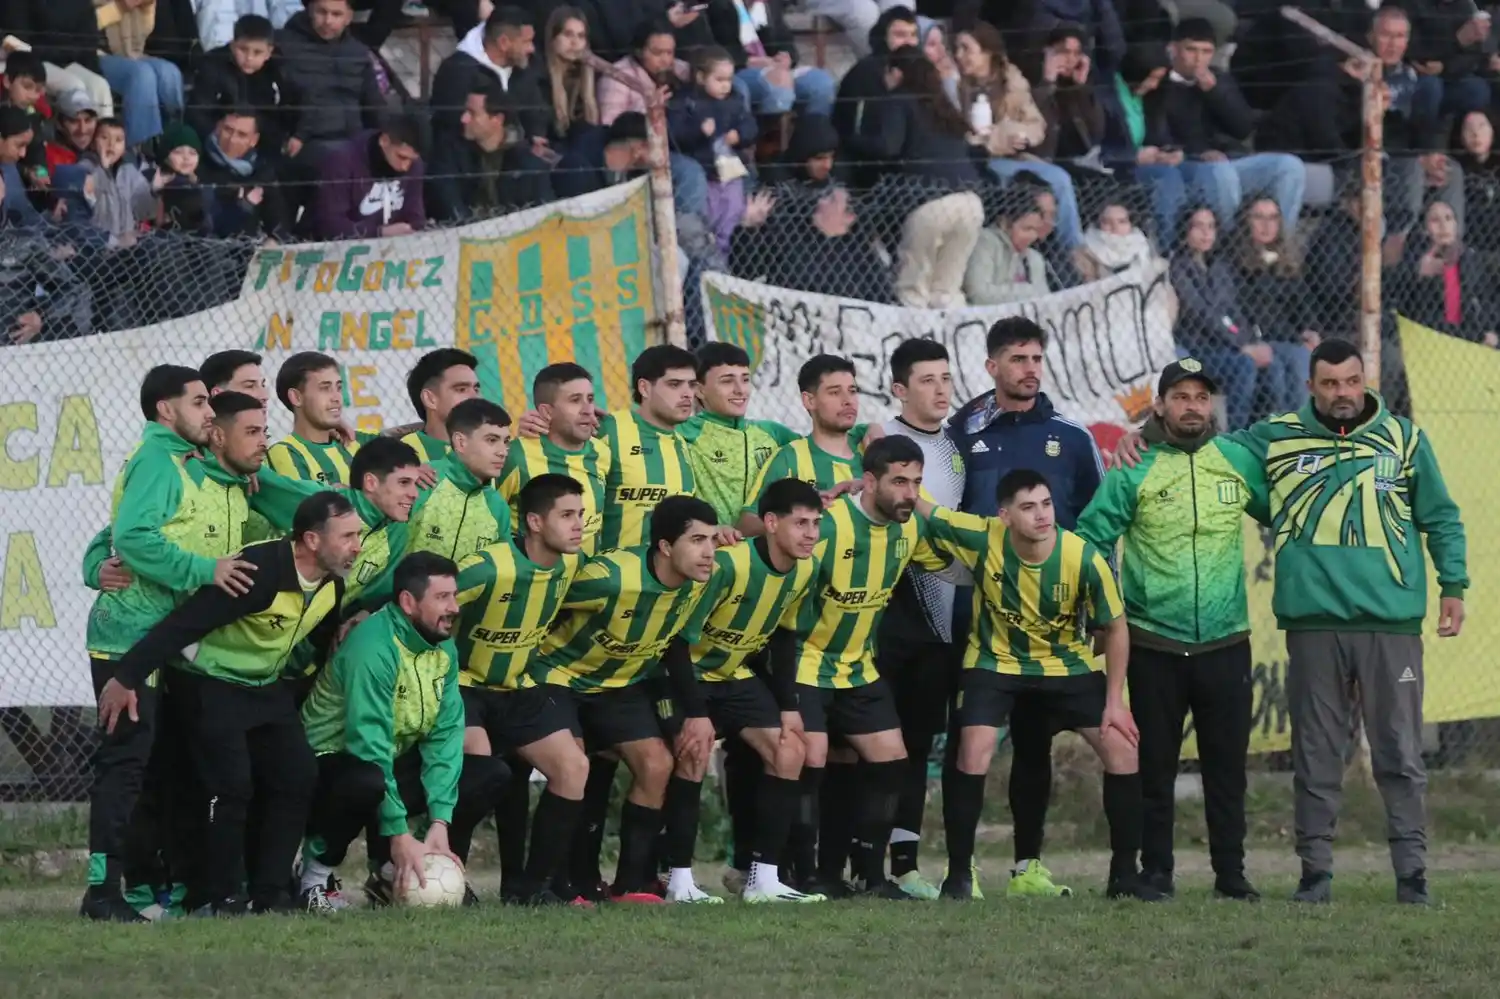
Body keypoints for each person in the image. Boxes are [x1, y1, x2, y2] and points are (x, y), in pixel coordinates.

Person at [1114, 338, 1468, 905]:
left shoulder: (1404, 439)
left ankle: (1413, 874)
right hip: (1313, 625)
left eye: (1352, 382)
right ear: (1310, 387)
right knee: (1316, 753)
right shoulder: (1276, 437)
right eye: (1330, 384)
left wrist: (1454, 585)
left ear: (1365, 380)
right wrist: (1143, 437)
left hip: (1391, 624)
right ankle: (1315, 875)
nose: (1343, 394)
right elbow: (1203, 444)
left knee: (1400, 752)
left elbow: (1442, 517)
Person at [98, 492, 362, 914]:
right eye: (347, 536)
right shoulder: (258, 573)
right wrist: (125, 677)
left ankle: (272, 893)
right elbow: (183, 624)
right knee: (231, 785)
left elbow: (315, 642)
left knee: (297, 774)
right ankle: (217, 895)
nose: (357, 545)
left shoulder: (332, 584)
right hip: (210, 685)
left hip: (265, 688)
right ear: (312, 540)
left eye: (358, 535)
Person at [1075, 360, 1269, 900]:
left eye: (1201, 397)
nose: (1192, 406)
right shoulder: (1133, 467)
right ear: (1159, 405)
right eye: (1180, 396)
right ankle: (1156, 871)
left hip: (1226, 642)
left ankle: (1231, 874)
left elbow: (1281, 511)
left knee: (1227, 768)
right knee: (1155, 766)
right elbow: (1090, 536)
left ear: (1212, 406)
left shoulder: (1234, 460)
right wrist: (1105, 609)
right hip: (1153, 642)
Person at [924, 469, 1154, 901]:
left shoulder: (1082, 557)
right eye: (1028, 507)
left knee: (1122, 746)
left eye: (1046, 504)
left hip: (1066, 665)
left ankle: (1124, 875)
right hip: (994, 661)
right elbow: (926, 510)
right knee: (973, 747)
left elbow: (1117, 628)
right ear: (1005, 515)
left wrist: (1115, 703)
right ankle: (958, 875)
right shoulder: (981, 536)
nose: (1042, 515)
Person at [78, 366, 250, 920]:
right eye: (199, 402)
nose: (209, 412)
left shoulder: (183, 462)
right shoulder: (157, 459)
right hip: (127, 638)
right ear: (164, 411)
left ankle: (157, 887)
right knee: (125, 763)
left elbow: (115, 533)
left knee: (159, 764)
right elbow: (130, 537)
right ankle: (104, 893)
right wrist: (206, 570)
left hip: (163, 640)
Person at [945, 316, 1104, 899]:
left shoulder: (1071, 435)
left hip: (1050, 628)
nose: (1030, 369)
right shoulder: (959, 434)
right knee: (966, 742)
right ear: (992, 367)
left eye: (1036, 358)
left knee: (1035, 746)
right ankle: (959, 872)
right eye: (1017, 359)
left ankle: (1027, 868)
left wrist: (1089, 604)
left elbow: (1096, 524)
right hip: (973, 620)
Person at [775, 435, 948, 900]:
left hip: (858, 667)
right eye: (899, 482)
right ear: (869, 482)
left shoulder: (909, 528)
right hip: (809, 663)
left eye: (916, 482)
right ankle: (805, 873)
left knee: (892, 761)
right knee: (810, 761)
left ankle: (871, 875)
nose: (909, 492)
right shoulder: (829, 526)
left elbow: (950, 561)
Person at [533, 495, 721, 902]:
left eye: (712, 540)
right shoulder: (609, 576)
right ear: (666, 547)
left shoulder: (701, 582)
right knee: (573, 766)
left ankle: (632, 883)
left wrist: (696, 712)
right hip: (562, 680)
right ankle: (551, 885)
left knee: (657, 765)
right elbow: (547, 608)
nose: (708, 552)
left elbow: (676, 644)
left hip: (621, 685)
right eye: (697, 540)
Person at [300, 552, 509, 911]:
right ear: (408, 602)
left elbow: (444, 737)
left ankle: (409, 867)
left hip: (384, 764)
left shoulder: (442, 646)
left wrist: (440, 820)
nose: (454, 607)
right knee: (365, 781)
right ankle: (313, 879)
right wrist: (397, 831)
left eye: (454, 596)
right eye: (442, 598)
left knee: (490, 774)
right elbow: (368, 744)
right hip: (326, 766)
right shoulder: (373, 647)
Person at [654, 479, 826, 904]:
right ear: (770, 523)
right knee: (693, 754)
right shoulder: (729, 565)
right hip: (686, 675)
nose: (810, 533)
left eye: (816, 523)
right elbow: (675, 640)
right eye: (800, 523)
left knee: (790, 750)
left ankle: (762, 880)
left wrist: (789, 708)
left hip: (735, 676)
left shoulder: (806, 569)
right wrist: (695, 712)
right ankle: (679, 880)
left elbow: (785, 637)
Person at [453, 476, 593, 905]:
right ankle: (447, 879)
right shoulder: (486, 566)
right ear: (533, 521)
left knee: (574, 769)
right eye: (566, 515)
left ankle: (532, 889)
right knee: (480, 774)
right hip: (465, 688)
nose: (578, 526)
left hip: (519, 688)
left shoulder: (572, 564)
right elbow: (425, 602)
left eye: (581, 515)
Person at [873, 338, 966, 899]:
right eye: (927, 380)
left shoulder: (956, 449)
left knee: (917, 746)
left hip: (943, 623)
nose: (940, 390)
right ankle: (852, 861)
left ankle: (905, 864)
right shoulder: (882, 439)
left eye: (946, 379)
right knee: (867, 745)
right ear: (900, 390)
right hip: (887, 618)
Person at [862, 44, 985, 309]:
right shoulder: (942, 104)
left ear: (896, 73)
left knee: (913, 290)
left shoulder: (898, 100)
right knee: (947, 290)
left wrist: (854, 141)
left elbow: (888, 147)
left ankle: (915, 347)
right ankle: (956, 344)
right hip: (970, 203)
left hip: (930, 204)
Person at [1153, 19, 1305, 230]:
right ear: (1173, 49)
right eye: (1191, 50)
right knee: (1220, 172)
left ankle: (1281, 245)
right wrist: (1198, 153)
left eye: (1206, 51)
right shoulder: (1159, 82)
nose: (1199, 59)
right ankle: (1229, 243)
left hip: (1230, 160)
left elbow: (1243, 128)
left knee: (1289, 167)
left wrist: (1214, 92)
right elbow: (1157, 135)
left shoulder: (1219, 79)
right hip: (1187, 164)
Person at [676, 342, 798, 530]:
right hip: (711, 550)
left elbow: (818, 448)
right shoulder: (684, 433)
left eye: (745, 379)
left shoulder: (772, 433)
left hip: (764, 551)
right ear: (699, 390)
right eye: (727, 381)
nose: (740, 390)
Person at [740, 354, 863, 536]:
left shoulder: (872, 451)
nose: (848, 400)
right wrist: (799, 515)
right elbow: (746, 524)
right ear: (809, 401)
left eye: (852, 391)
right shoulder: (789, 458)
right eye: (835, 392)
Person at [497, 363, 612, 556]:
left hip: (587, 577)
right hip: (533, 579)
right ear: (547, 412)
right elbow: (489, 518)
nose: (587, 409)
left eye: (590, 399)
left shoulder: (602, 451)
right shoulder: (516, 456)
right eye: (575, 400)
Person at [596, 344, 701, 551]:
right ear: (644, 388)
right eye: (674, 384)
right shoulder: (608, 429)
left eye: (691, 385)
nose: (687, 394)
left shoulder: (684, 443)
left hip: (665, 577)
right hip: (610, 576)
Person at [1169, 205, 1260, 430]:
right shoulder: (1177, 267)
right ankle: (1236, 437)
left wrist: (1249, 341)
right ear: (1185, 230)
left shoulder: (1219, 266)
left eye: (1211, 227)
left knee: (1274, 364)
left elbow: (1234, 311)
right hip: (1197, 348)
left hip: (1226, 344)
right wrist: (1241, 346)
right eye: (1198, 226)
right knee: (1245, 365)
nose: (1206, 233)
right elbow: (1201, 314)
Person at [668, 47, 757, 256]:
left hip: (730, 173)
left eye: (729, 79)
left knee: (732, 215)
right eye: (719, 79)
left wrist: (740, 134)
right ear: (700, 77)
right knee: (707, 219)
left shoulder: (734, 101)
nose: (726, 85)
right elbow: (675, 134)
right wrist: (698, 131)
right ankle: (705, 259)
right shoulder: (685, 102)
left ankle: (723, 259)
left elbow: (751, 125)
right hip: (706, 174)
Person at [427, 83, 554, 222]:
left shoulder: (527, 163)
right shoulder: (449, 152)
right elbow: (449, 202)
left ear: (497, 119)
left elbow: (544, 212)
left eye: (472, 113)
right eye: (465, 111)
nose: (464, 119)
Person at [408, 399, 514, 562]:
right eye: (492, 440)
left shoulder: (498, 507)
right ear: (460, 442)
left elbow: (501, 568)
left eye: (506, 442)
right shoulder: (422, 481)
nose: (503, 452)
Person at [275, 0, 384, 157]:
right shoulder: (282, 45)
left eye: (336, 14)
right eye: (321, 12)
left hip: (355, 143)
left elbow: (375, 106)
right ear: (310, 10)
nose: (328, 21)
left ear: (348, 18)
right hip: (305, 143)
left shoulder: (358, 53)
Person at [432, 7, 547, 147]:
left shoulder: (522, 67)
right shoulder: (457, 72)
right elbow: (453, 130)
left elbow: (536, 117)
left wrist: (536, 138)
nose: (531, 48)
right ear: (503, 42)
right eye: (526, 42)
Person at [307, 111, 426, 241]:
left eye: (411, 160)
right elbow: (330, 224)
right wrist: (379, 232)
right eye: (401, 157)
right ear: (384, 141)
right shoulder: (343, 161)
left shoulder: (414, 166)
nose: (405, 166)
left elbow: (415, 216)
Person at [188, 15, 296, 158]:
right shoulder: (212, 65)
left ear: (269, 52)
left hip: (260, 139)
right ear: (232, 45)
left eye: (257, 52)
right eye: (243, 49)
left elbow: (291, 105)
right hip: (219, 139)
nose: (249, 58)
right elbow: (198, 111)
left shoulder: (278, 69)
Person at [267, 352, 374, 486]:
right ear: (296, 397)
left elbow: (404, 437)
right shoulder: (286, 452)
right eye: (325, 388)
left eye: (339, 388)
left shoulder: (356, 440)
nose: (337, 397)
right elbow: (311, 504)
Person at [95, 0, 186, 149]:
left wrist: (146, 7)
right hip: (96, 54)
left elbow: (145, 31)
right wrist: (120, 7)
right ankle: (141, 149)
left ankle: (173, 142)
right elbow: (84, 25)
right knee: (142, 74)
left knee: (170, 73)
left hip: (131, 53)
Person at [198, 108, 291, 240]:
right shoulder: (197, 162)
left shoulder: (262, 173)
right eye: (228, 130)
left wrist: (274, 240)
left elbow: (278, 221)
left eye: (242, 135)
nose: (232, 139)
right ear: (218, 127)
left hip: (246, 250)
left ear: (253, 140)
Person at [963, 186, 1052, 305]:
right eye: (1026, 229)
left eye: (1035, 230)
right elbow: (978, 294)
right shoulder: (986, 243)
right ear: (1004, 224)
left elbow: (1046, 301)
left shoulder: (1034, 259)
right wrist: (1027, 291)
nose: (1032, 236)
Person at [401, 348, 482, 463]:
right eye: (461, 389)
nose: (475, 397)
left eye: (476, 389)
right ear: (430, 399)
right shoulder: (402, 456)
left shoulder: (494, 453)